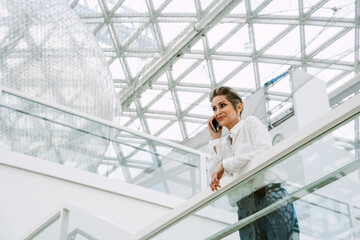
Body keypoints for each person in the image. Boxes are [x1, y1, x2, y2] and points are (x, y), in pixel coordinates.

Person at [208, 86, 300, 240]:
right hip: (244, 207)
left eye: (222, 105)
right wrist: (214, 139)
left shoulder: (250, 123)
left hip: (269, 196)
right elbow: (215, 177)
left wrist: (225, 164)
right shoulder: (223, 144)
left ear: (238, 107)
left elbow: (264, 152)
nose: (217, 112)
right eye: (214, 108)